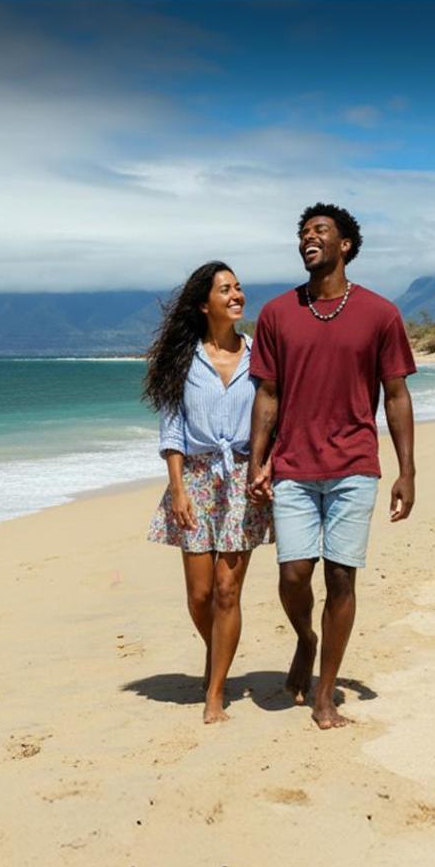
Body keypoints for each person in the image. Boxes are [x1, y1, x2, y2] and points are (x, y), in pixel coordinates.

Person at [247, 203, 417, 730]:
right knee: (294, 574)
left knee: (342, 579)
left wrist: (406, 470)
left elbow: (395, 394)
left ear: (346, 245)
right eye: (302, 233)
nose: (307, 238)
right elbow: (268, 394)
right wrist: (258, 461)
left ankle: (325, 693)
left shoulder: (380, 313)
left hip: (354, 465)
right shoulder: (277, 313)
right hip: (294, 465)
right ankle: (305, 638)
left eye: (319, 231)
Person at [143, 261, 272, 724]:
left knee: (226, 590)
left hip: (243, 477)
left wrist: (267, 466)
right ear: (204, 303)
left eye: (238, 287)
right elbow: (172, 431)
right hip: (194, 480)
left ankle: (215, 691)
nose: (237, 294)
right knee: (199, 596)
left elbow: (275, 417)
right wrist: (177, 489)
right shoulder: (182, 360)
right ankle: (218, 653)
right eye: (225, 289)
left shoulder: (262, 356)